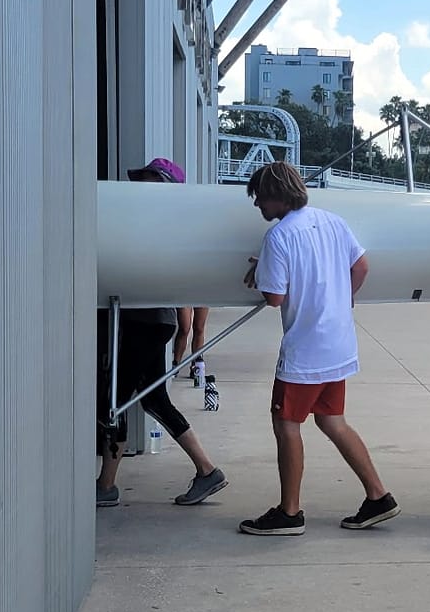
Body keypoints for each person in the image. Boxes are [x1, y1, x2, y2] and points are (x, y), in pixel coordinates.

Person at [238, 161, 400, 537]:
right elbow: (361, 267)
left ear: (276, 195)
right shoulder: (332, 221)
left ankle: (289, 512)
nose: (257, 204)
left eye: (260, 197)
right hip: (338, 342)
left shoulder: (278, 238)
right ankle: (378, 495)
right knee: (332, 421)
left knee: (286, 424)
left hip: (304, 350)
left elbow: (275, 298)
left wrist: (263, 270)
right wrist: (342, 300)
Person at [96, 158, 228, 508]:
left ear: (165, 186)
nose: (140, 186)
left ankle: (106, 485)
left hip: (148, 321)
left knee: (114, 400)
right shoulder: (147, 221)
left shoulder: (163, 225)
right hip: (150, 321)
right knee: (154, 400)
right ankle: (206, 470)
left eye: (148, 180)